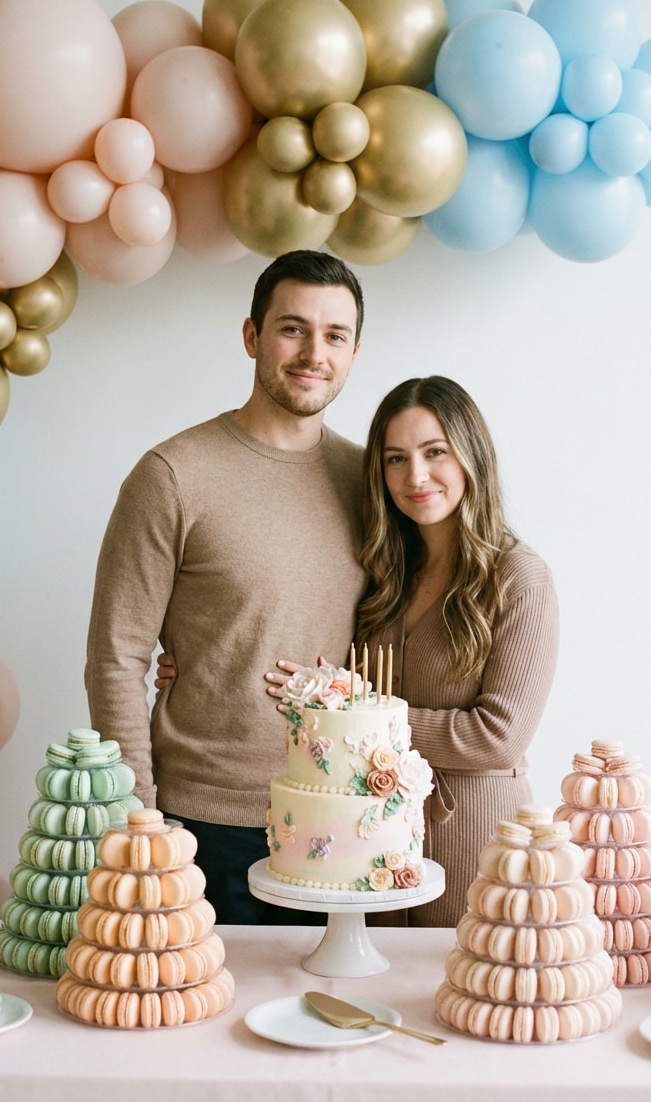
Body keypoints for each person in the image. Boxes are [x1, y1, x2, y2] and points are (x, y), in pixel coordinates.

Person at [160, 376, 560, 929]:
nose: (415, 476)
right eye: (396, 459)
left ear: (473, 456)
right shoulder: (388, 572)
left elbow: (499, 736)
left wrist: (356, 723)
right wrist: (199, 660)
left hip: (469, 832)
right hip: (367, 837)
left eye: (435, 452)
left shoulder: (519, 578)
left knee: (450, 975)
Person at [85, 249, 367, 925]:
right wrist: (141, 817)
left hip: (342, 816)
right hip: (204, 825)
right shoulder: (173, 475)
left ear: (354, 353)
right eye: (293, 329)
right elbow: (116, 658)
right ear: (252, 336)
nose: (314, 354)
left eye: (335, 335)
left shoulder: (371, 482)